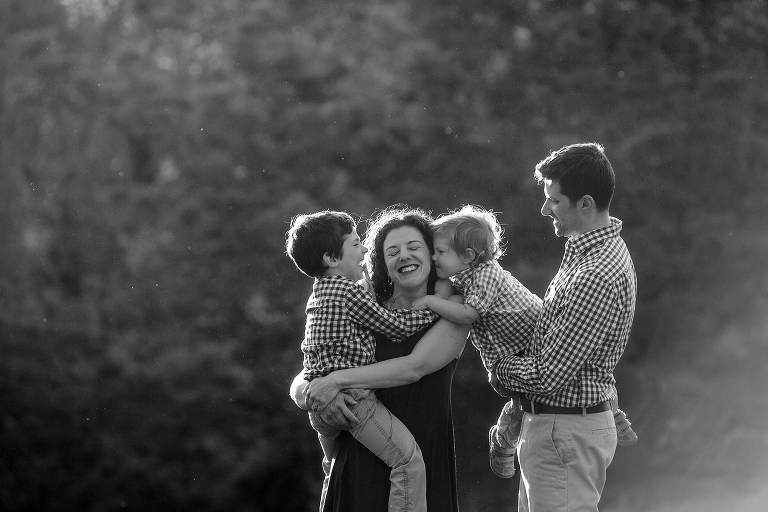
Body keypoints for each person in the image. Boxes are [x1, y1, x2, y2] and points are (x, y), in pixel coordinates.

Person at [290, 206, 469, 512]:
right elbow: (306, 375)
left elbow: (412, 368)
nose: (404, 256)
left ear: (432, 254)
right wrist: (310, 394)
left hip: (420, 459)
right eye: (392, 251)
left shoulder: (453, 310)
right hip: (359, 454)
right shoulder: (364, 304)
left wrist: (334, 382)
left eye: (414, 247)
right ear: (382, 262)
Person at [491, 142, 638, 512]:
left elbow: (549, 375)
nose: (545, 209)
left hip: (565, 431)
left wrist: (499, 368)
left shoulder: (595, 274)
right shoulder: (587, 250)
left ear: (585, 204)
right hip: (560, 428)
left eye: (555, 201)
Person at [412, 204, 542, 478]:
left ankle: (610, 412)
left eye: (440, 252)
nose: (434, 257)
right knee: (527, 402)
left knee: (567, 379)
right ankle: (505, 442)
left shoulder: (487, 275)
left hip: (534, 338)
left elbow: (468, 314)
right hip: (515, 352)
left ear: (468, 256)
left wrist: (429, 301)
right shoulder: (465, 275)